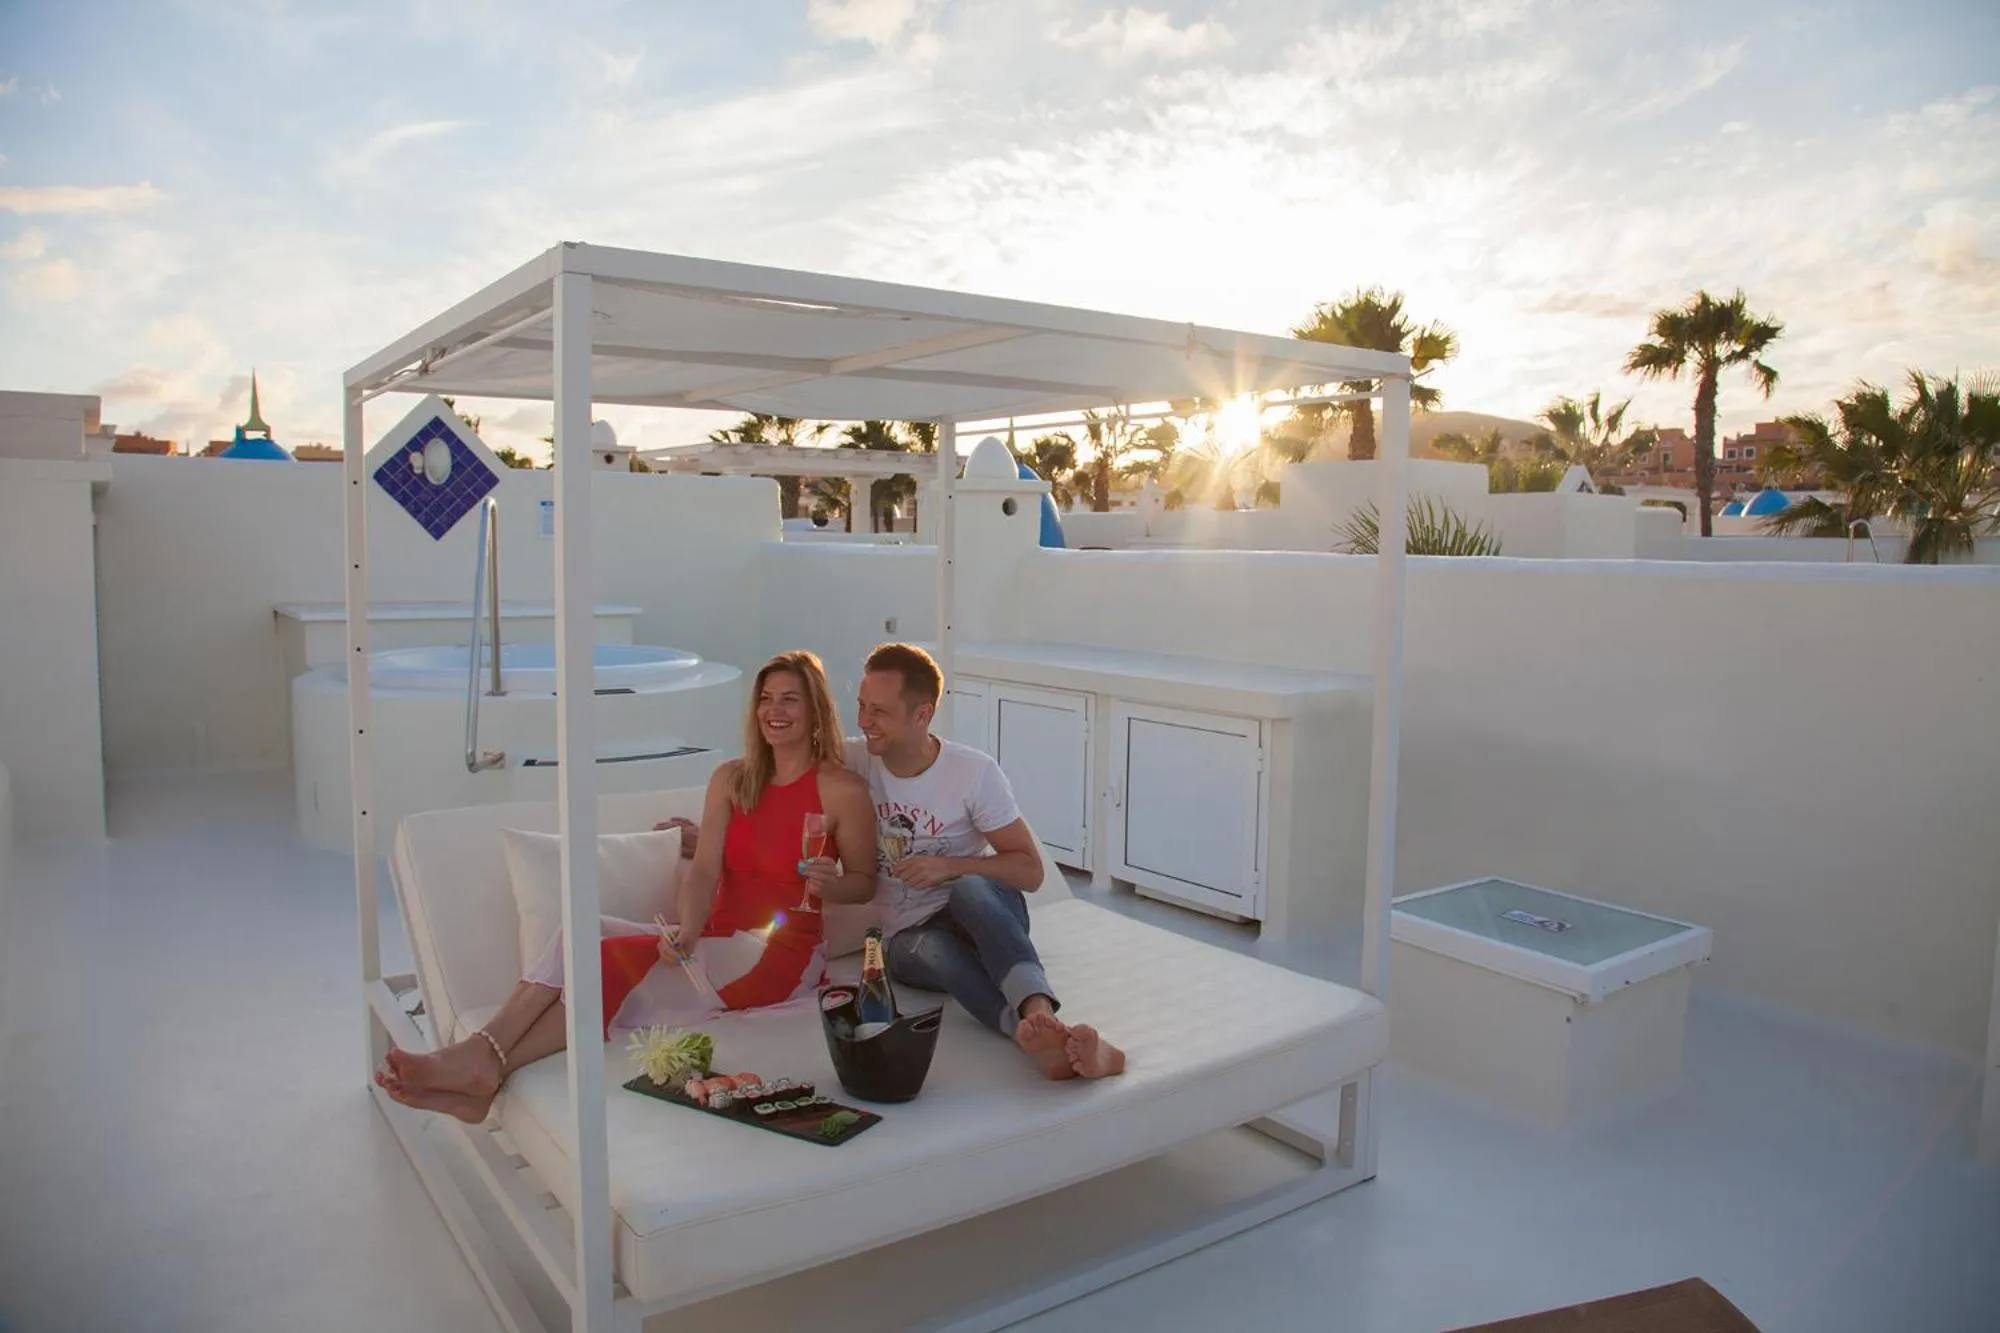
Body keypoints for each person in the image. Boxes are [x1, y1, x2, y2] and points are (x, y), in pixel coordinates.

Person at [375, 650, 877, 1123]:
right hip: (718, 937)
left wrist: (832, 885)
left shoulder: (841, 790)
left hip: (781, 954)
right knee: (580, 932)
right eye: (766, 698)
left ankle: (486, 1061)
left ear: (816, 709)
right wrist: (688, 930)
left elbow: (863, 884)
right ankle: (483, 1061)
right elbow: (703, 871)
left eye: (790, 698)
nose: (775, 710)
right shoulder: (731, 779)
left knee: (605, 964)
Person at [852, 642, 1123, 1081]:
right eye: (861, 707)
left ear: (921, 714)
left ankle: (1038, 1012)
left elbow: (1029, 872)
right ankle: (1042, 1035)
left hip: (982, 917)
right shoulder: (855, 759)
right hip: (907, 940)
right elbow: (777, 763)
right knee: (935, 949)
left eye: (878, 711)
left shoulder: (972, 772)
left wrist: (952, 867)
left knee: (968, 888)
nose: (864, 721)